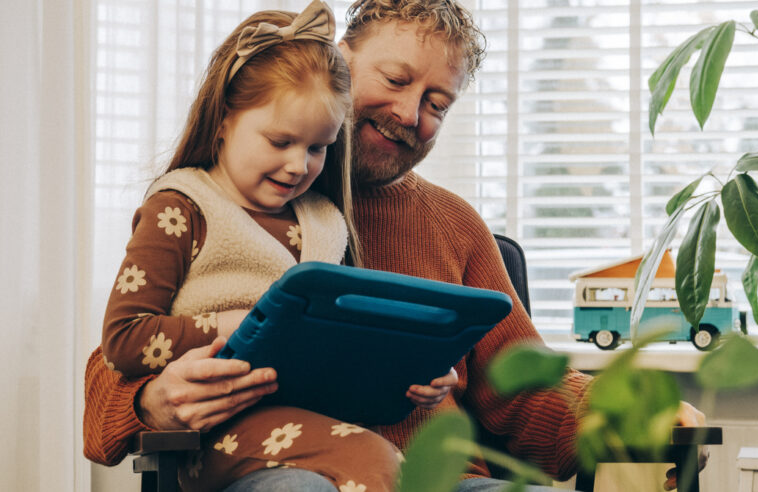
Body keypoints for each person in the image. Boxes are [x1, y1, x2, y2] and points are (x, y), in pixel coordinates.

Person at [84, 1, 706, 491]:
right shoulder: (212, 204)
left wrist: (627, 407)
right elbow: (121, 351)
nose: (411, 113)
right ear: (338, 61)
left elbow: (526, 379)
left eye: (438, 103)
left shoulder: (450, 225)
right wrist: (150, 400)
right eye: (396, 79)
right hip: (274, 464)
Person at [94, 2, 457, 490]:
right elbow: (123, 340)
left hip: (321, 426)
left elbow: (346, 365)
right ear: (223, 119)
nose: (297, 166)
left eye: (316, 148)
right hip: (221, 436)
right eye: (280, 141)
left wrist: (413, 380)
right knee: (375, 462)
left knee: (380, 460)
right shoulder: (182, 208)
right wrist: (228, 326)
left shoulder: (328, 222)